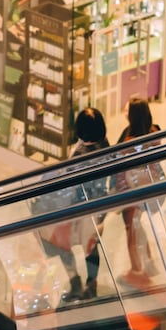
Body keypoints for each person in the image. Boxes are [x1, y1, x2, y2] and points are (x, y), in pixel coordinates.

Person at [35, 106, 111, 301]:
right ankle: (90, 285)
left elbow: (69, 182)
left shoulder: (82, 154)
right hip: (98, 206)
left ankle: (75, 281)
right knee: (90, 248)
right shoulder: (105, 145)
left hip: (77, 208)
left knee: (59, 243)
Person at [114, 97, 162, 289]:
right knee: (138, 226)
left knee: (131, 231)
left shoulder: (129, 143)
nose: (124, 112)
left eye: (127, 110)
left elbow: (120, 166)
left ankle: (136, 271)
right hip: (149, 188)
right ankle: (148, 262)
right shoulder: (154, 132)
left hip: (131, 191)